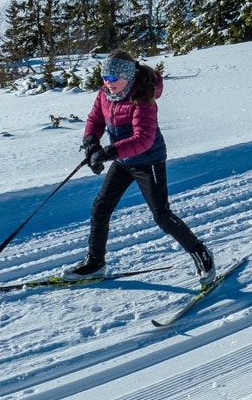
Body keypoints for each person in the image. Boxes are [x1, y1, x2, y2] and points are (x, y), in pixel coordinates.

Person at [68, 49, 215, 283]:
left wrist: (109, 152)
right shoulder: (105, 94)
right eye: (105, 77)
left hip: (149, 162)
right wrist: (91, 144)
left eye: (113, 78)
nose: (108, 83)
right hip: (124, 161)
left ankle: (201, 253)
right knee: (100, 207)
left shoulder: (142, 99)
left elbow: (144, 139)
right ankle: (95, 263)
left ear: (128, 76)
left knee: (162, 215)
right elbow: (95, 120)